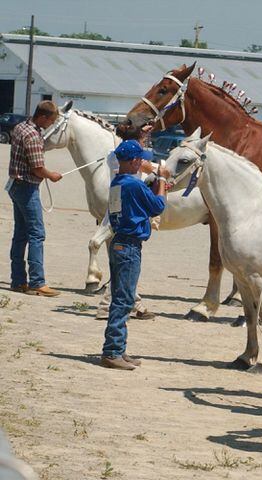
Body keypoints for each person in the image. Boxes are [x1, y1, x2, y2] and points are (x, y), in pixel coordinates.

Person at [100, 140, 167, 370]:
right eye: (141, 158)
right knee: (124, 299)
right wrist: (163, 182)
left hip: (118, 242)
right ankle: (112, 351)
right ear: (134, 161)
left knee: (121, 296)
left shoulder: (117, 182)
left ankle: (118, 349)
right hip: (129, 246)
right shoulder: (133, 185)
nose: (143, 162)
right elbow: (157, 206)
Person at [95, 126, 156, 321]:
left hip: (117, 207)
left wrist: (140, 133)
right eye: (143, 140)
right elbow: (149, 170)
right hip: (130, 208)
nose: (145, 142)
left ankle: (133, 303)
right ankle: (107, 307)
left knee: (122, 267)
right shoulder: (135, 172)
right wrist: (162, 176)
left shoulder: (113, 157)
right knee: (126, 269)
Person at [7, 100, 62, 296]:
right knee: (37, 234)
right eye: (52, 120)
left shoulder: (21, 127)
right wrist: (52, 175)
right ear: (43, 117)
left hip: (16, 185)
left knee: (21, 234)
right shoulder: (32, 135)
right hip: (27, 187)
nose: (52, 124)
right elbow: (37, 169)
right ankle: (37, 281)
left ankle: (18, 280)